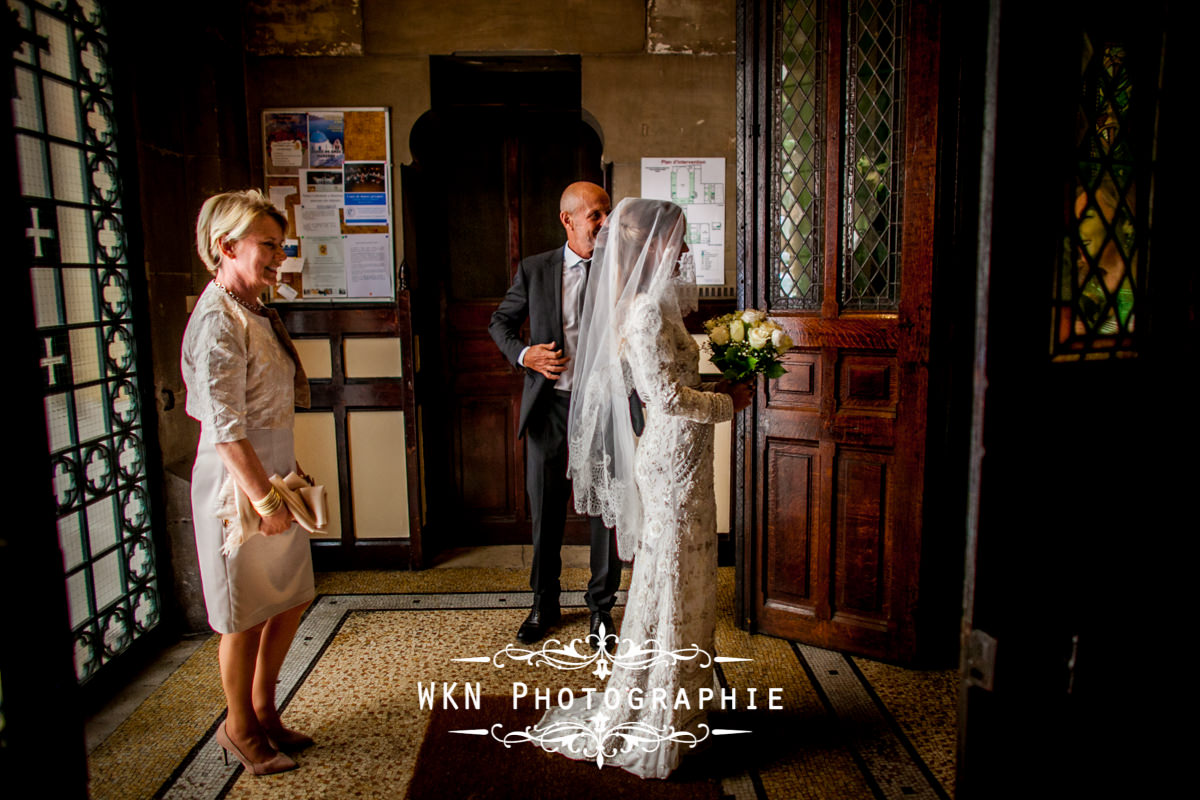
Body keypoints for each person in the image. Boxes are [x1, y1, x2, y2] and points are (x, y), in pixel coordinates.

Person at [537, 198, 752, 779]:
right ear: (652, 243)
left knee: (685, 575)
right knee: (667, 578)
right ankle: (655, 713)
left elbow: (677, 380)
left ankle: (682, 702)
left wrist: (722, 376)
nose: (685, 251)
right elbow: (666, 400)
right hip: (669, 460)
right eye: (678, 240)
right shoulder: (643, 313)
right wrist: (728, 402)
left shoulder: (660, 305)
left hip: (689, 455)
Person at [181, 189, 315, 776]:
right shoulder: (217, 319)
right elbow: (227, 429)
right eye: (267, 245)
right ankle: (238, 728)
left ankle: (264, 710)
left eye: (279, 245)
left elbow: (266, 409)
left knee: (289, 597)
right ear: (225, 246)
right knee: (244, 614)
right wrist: (264, 499)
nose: (277, 256)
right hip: (236, 485)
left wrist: (288, 478)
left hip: (272, 472)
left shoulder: (256, 309)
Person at [488, 181, 623, 647]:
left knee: (605, 512)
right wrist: (525, 355)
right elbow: (500, 322)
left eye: (607, 213)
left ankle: (601, 610)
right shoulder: (536, 269)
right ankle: (543, 604)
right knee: (545, 512)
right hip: (550, 409)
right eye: (596, 215)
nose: (604, 223)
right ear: (568, 220)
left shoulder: (621, 268)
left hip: (603, 408)